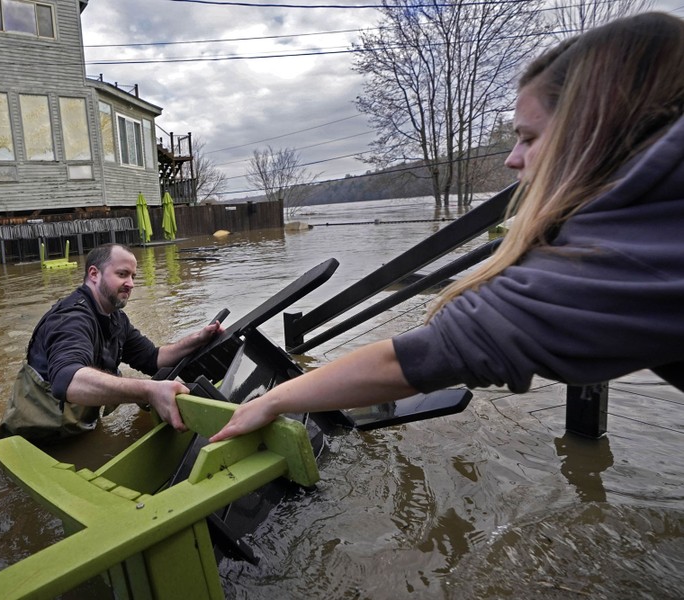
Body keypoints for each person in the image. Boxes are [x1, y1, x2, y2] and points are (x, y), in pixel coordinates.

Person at [211, 12, 684, 443]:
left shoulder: (624, 255)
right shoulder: (653, 217)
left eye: (530, 137)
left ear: (596, 130)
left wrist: (273, 399)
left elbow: (416, 358)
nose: (512, 158)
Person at [0, 242, 223, 443]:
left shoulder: (115, 317)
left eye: (133, 276)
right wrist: (148, 390)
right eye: (123, 274)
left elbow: (152, 358)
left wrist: (197, 339)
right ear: (94, 274)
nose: (131, 284)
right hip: (35, 441)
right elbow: (66, 381)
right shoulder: (70, 319)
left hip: (76, 428)